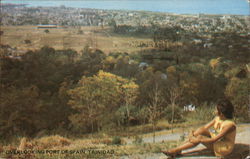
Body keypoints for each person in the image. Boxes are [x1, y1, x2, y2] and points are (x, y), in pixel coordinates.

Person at [162, 98, 236, 157]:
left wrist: (199, 139)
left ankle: (176, 150)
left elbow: (214, 140)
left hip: (223, 146)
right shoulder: (218, 118)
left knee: (200, 137)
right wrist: (193, 134)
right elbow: (204, 128)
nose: (214, 111)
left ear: (222, 114)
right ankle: (178, 149)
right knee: (201, 131)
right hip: (217, 140)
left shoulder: (230, 125)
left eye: (216, 110)